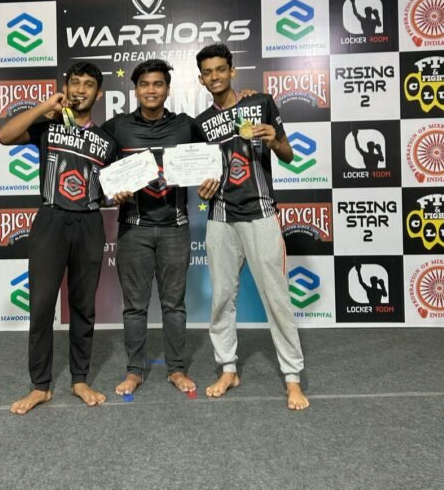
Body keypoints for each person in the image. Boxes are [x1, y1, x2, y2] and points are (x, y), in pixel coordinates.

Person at [0, 62, 117, 413]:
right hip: (50, 219)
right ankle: (40, 386)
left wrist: (119, 193)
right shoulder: (48, 126)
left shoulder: (107, 140)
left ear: (99, 94)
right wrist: (43, 107)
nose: (81, 89)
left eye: (89, 84)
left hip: (89, 222)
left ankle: (80, 379)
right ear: (65, 88)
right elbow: (4, 136)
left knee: (83, 306)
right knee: (41, 305)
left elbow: (113, 188)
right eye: (75, 83)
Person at [194, 43, 309, 410]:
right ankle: (227, 368)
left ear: (232, 71)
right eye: (207, 72)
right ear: (201, 79)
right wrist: (201, 187)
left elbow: (288, 154)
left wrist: (274, 140)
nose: (214, 76)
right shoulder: (199, 124)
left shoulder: (259, 103)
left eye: (220, 69)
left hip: (260, 212)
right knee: (221, 298)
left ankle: (292, 378)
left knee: (276, 296)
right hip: (220, 216)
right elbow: (201, 174)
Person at [101, 59, 218, 396]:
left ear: (167, 89)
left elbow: (215, 154)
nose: (151, 90)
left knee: (174, 305)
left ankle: (176, 369)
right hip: (133, 229)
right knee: (134, 307)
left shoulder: (186, 125)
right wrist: (111, 192)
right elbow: (95, 167)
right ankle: (134, 371)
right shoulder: (117, 126)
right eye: (144, 84)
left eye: (157, 84)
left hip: (175, 229)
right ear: (135, 90)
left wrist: (210, 177)